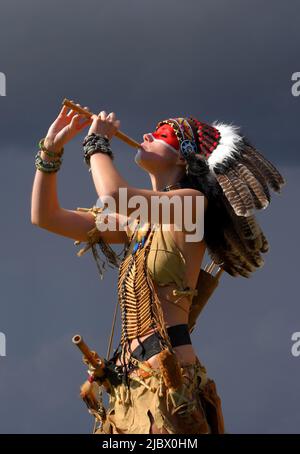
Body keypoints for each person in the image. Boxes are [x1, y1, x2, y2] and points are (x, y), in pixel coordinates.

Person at [31, 104, 285, 434]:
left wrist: (96, 143)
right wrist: (50, 153)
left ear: (183, 158)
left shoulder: (193, 205)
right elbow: (46, 217)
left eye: (162, 135)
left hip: (168, 382)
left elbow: (113, 196)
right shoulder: (139, 224)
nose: (147, 135)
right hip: (128, 387)